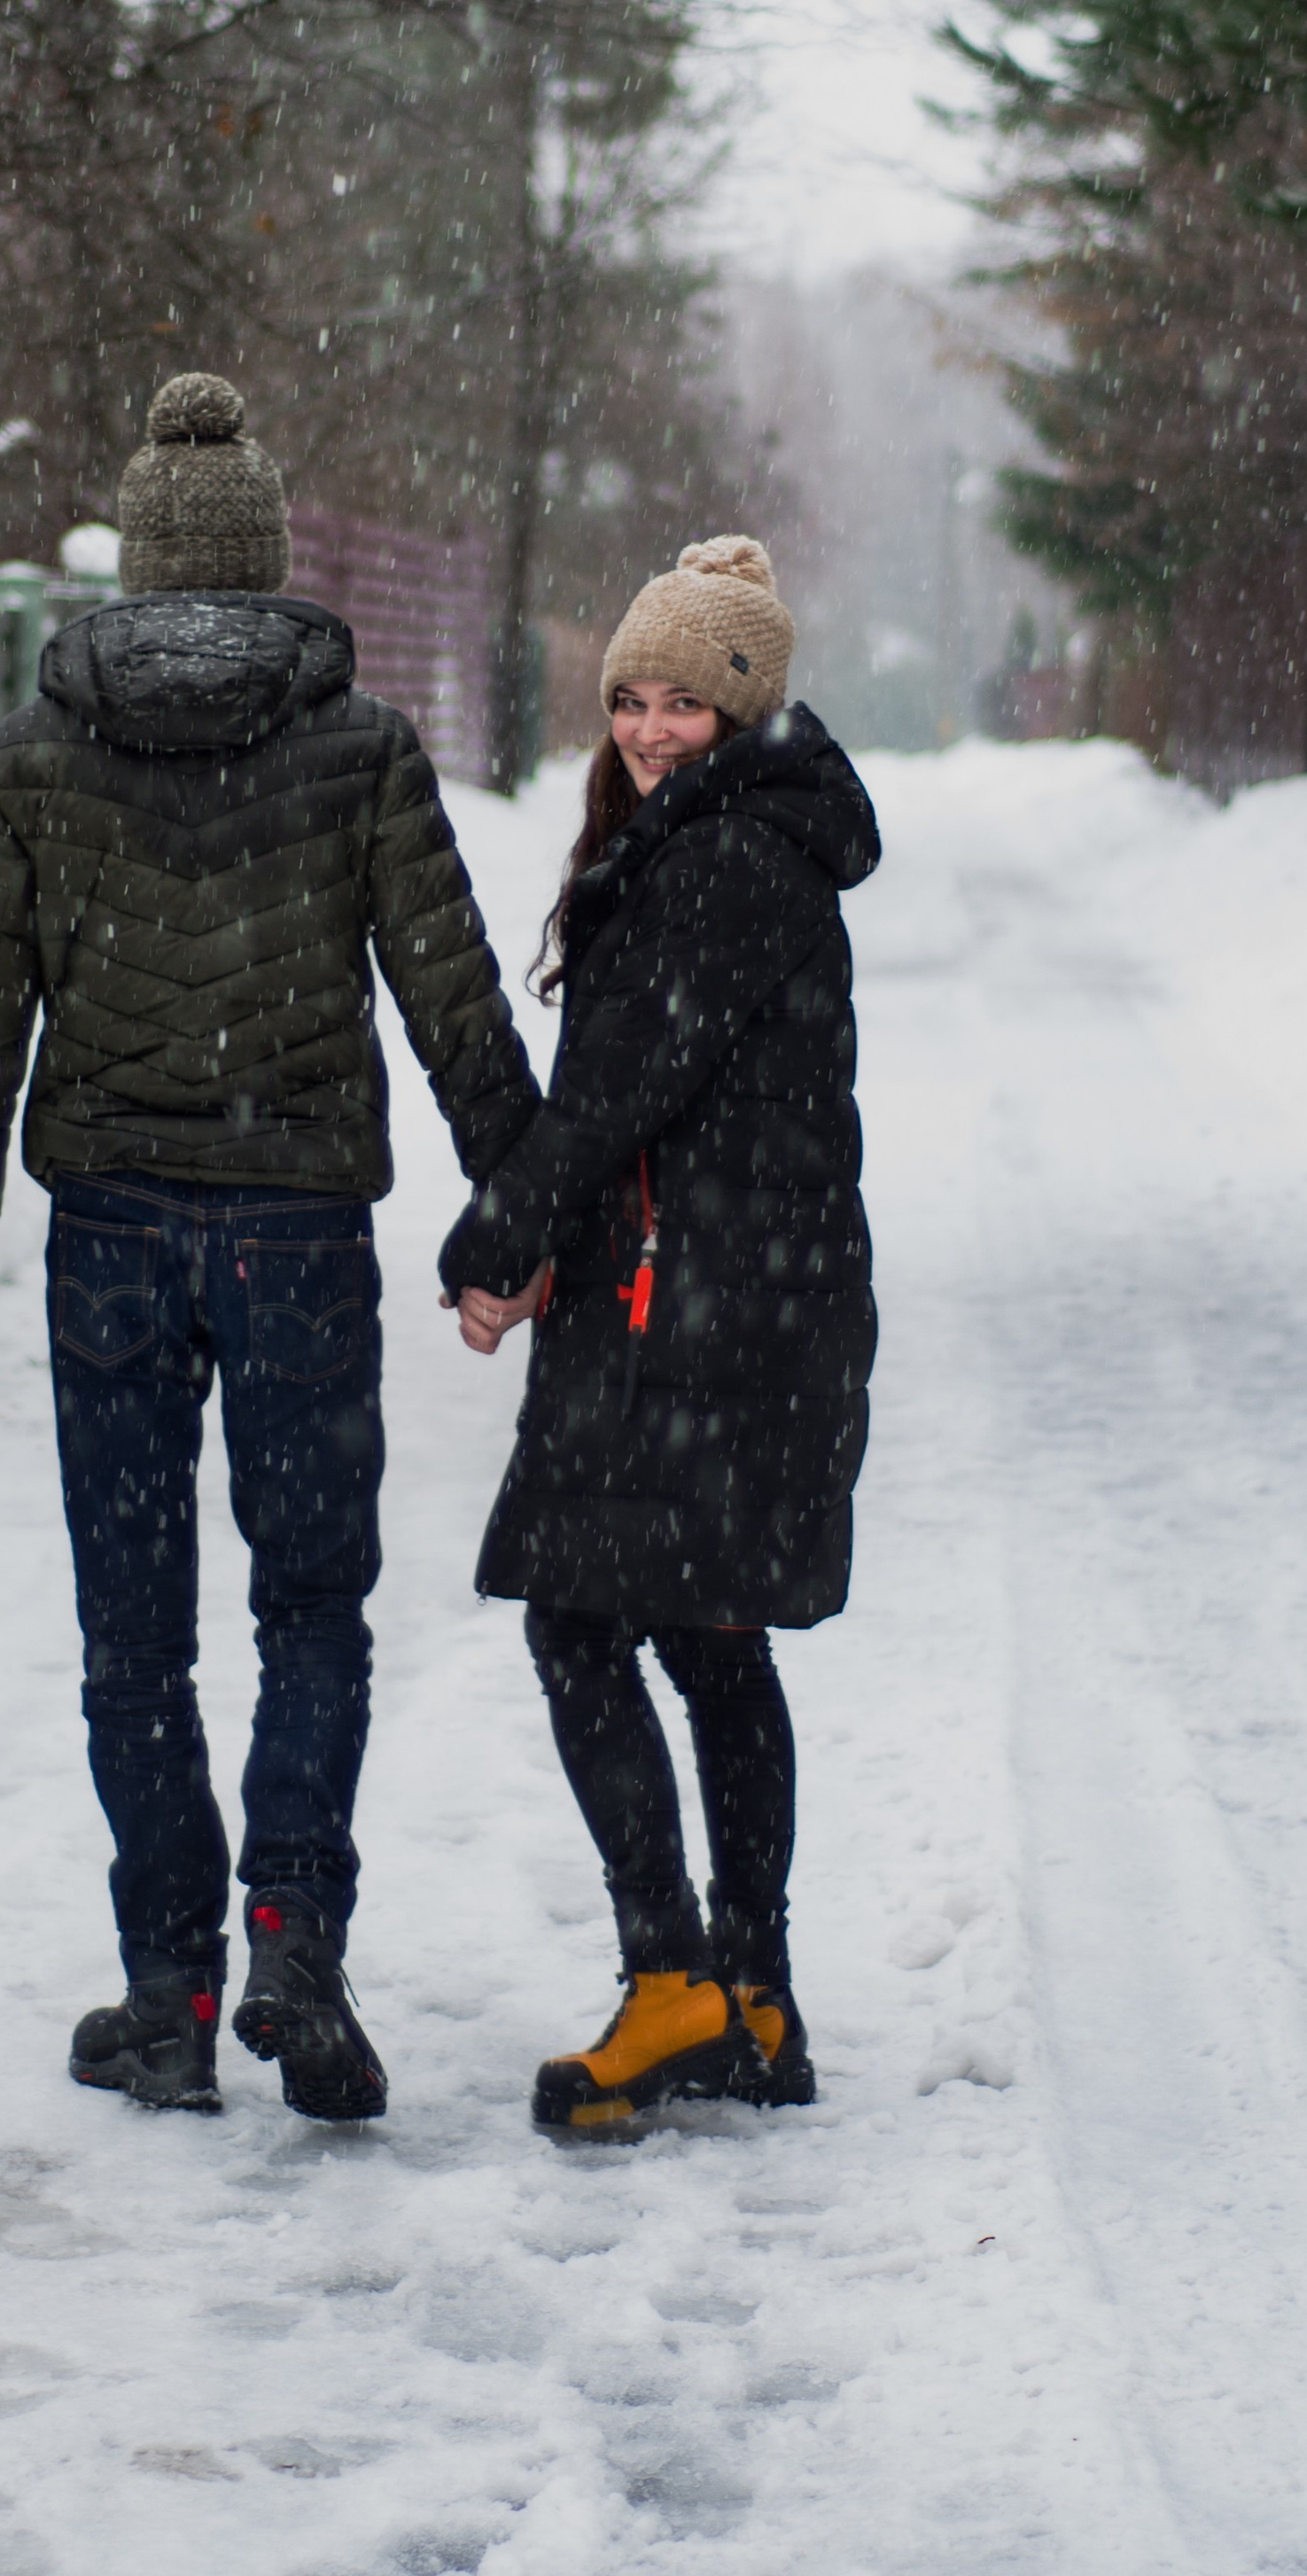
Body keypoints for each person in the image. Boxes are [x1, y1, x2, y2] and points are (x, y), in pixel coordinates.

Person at [0, 373, 536, 2123]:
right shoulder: (358, 747)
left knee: (134, 1637)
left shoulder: (32, 756)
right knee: (311, 1613)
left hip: (108, 1231)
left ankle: (171, 1991)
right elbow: (449, 996)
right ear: (268, 560)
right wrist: (520, 1204)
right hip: (297, 1239)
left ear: (130, 566)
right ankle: (294, 1934)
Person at [440, 535, 879, 2130]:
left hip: (697, 1310)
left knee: (580, 1621)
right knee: (708, 1636)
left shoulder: (724, 863)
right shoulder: (738, 837)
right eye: (630, 696)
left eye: (684, 701)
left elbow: (616, 1091)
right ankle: (751, 1994)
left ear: (744, 708)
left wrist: (497, 1239)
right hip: (742, 1301)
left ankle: (679, 1981)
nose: (646, 727)